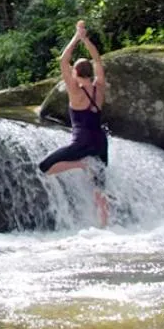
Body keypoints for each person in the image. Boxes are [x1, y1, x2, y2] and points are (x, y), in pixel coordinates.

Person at [38, 20, 110, 227]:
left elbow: (63, 60)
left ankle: (81, 165)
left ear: (76, 74)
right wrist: (86, 40)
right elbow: (97, 59)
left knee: (44, 167)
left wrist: (76, 37)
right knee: (100, 187)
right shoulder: (100, 86)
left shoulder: (75, 90)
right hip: (100, 141)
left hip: (82, 142)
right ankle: (105, 227)